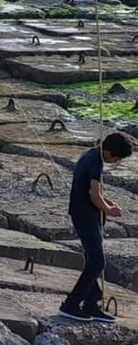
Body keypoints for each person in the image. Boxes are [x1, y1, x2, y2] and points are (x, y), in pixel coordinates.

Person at [59, 131, 133, 323]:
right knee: (97, 262)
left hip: (82, 212)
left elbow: (94, 191)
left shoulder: (89, 154)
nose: (116, 161)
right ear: (108, 152)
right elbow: (94, 196)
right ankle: (71, 304)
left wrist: (108, 202)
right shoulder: (96, 161)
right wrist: (110, 210)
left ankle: (92, 303)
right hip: (85, 215)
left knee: (93, 259)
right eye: (116, 158)